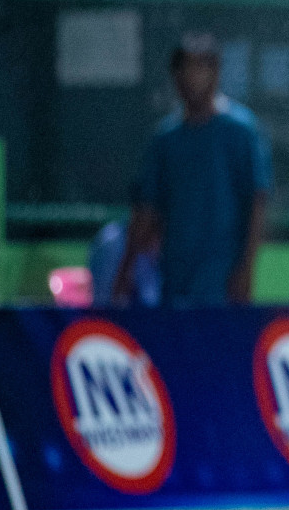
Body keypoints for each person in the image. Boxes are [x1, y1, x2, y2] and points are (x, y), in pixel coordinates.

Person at [116, 34, 272, 306]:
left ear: (216, 72)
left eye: (200, 68)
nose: (191, 77)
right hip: (175, 279)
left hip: (222, 280)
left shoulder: (241, 132)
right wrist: (125, 270)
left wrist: (246, 269)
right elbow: (146, 210)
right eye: (183, 69)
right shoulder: (165, 139)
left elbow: (257, 202)